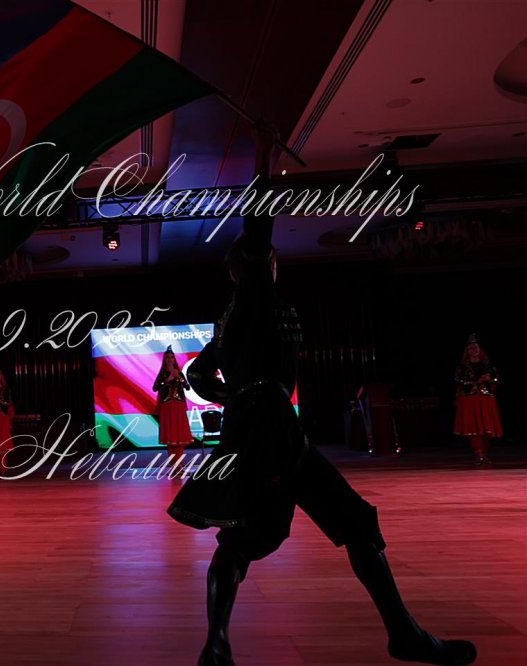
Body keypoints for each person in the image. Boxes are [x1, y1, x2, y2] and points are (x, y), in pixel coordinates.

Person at [167, 126, 476, 666]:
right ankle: (400, 636)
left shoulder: (234, 318)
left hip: (262, 431)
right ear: (253, 268)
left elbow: (196, 371)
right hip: (272, 434)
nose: (274, 261)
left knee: (253, 539)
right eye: (266, 258)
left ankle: (218, 646)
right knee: (337, 526)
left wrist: (232, 398)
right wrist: (262, 158)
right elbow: (257, 223)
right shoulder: (254, 298)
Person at [453, 335, 502, 464]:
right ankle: (478, 453)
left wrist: (490, 380)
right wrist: (477, 381)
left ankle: (484, 453)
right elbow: (458, 381)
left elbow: (497, 378)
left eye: (476, 347)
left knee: (486, 427)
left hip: (486, 398)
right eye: (471, 348)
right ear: (467, 351)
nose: (474, 350)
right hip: (470, 399)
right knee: (474, 426)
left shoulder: (487, 364)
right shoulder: (463, 367)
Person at [153, 345, 194, 464]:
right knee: (171, 436)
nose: (170, 359)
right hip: (166, 406)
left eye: (172, 357)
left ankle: (179, 465)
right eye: (168, 357)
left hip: (178, 406)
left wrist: (179, 378)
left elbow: (187, 387)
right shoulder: (162, 374)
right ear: (164, 359)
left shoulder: (179, 372)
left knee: (180, 435)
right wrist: (167, 380)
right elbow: (155, 388)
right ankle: (174, 465)